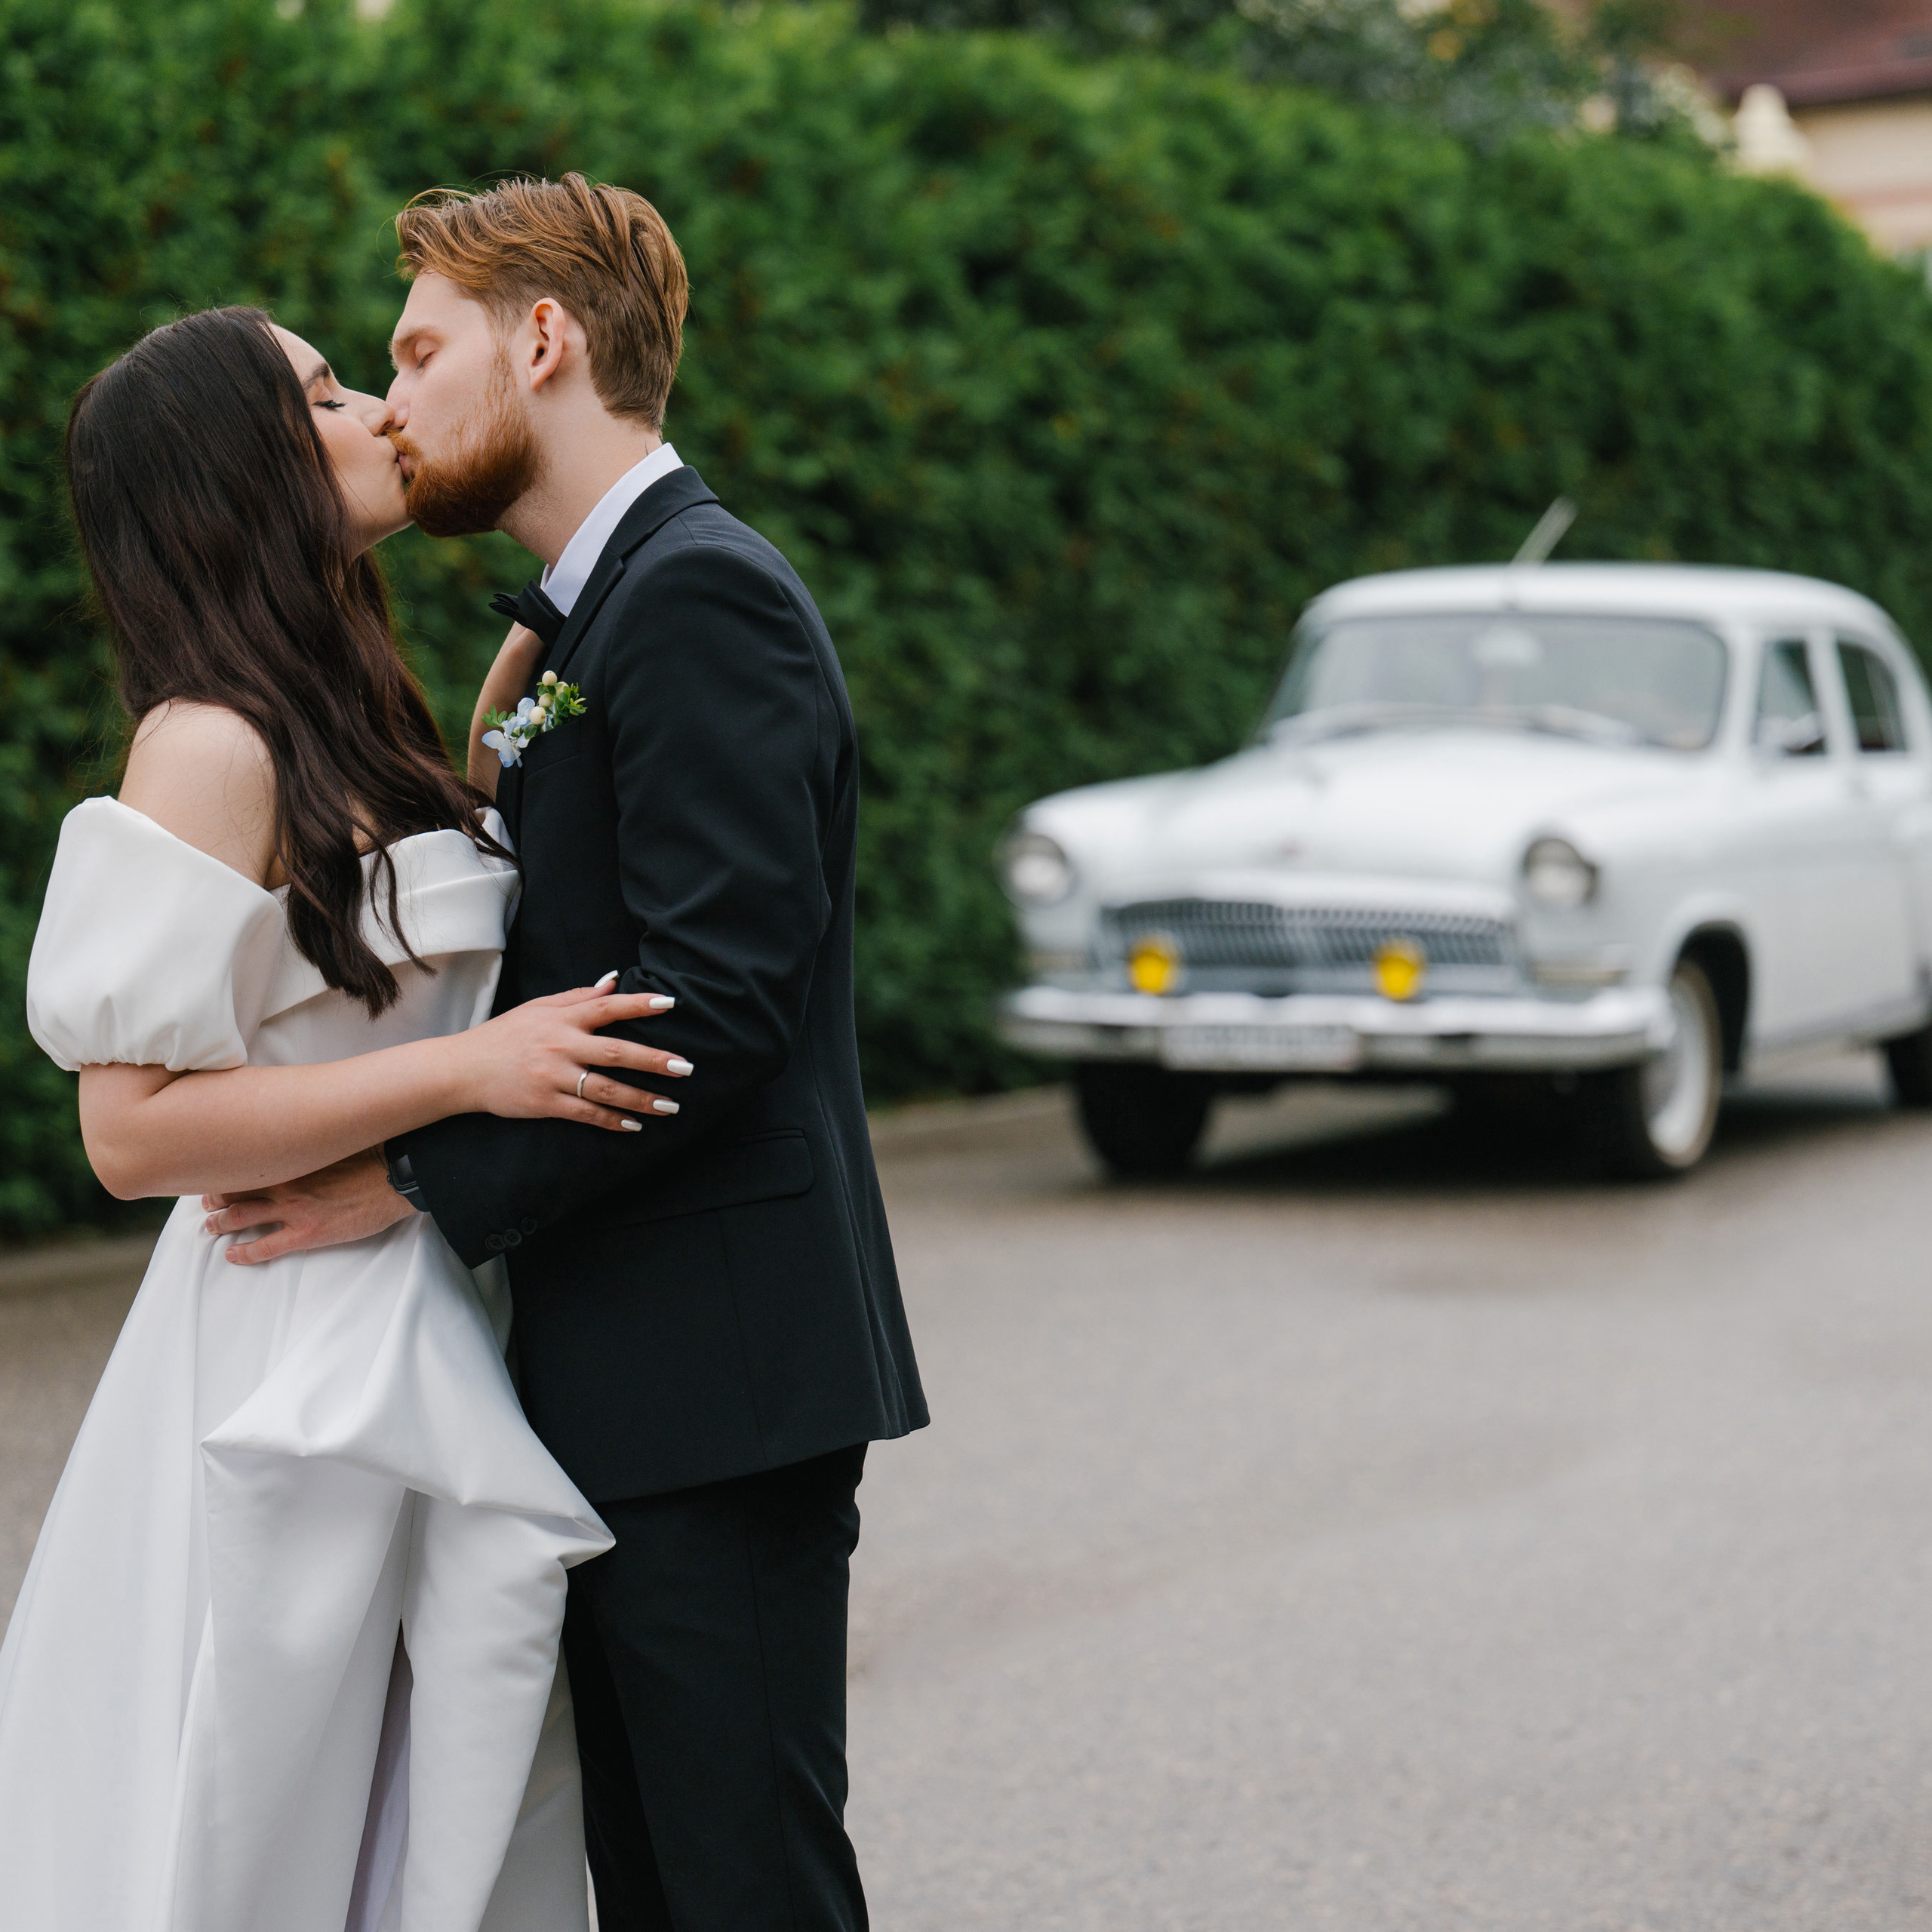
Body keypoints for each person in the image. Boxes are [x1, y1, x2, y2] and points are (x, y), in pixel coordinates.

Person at [208, 174, 929, 1930]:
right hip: (626, 1373)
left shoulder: (701, 598)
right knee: (659, 1888)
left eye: (417, 348)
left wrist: (403, 1180)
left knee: (743, 1880)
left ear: (542, 342)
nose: (392, 397)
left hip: (721, 1377)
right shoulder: (588, 617)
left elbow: (718, 999)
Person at [0, 304, 697, 1930]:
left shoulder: (351, 701)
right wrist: (467, 1074)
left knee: (454, 1814)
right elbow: (134, 1132)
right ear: (238, 467)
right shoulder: (204, 744)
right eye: (323, 391)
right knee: (278, 1826)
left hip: (432, 1301)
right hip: (290, 1352)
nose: (378, 405)